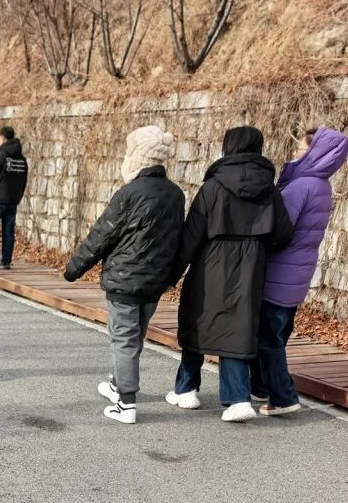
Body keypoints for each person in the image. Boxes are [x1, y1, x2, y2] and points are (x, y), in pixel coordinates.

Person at [62, 125, 185, 425]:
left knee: (124, 340)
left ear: (138, 157)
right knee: (134, 337)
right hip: (154, 282)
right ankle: (118, 384)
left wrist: (73, 269)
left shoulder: (129, 193)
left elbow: (102, 235)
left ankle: (126, 403)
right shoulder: (175, 194)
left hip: (124, 280)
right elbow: (178, 240)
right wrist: (170, 276)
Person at [172, 126, 293, 423]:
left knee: (197, 321)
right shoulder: (269, 189)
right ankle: (238, 398)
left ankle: (186, 389)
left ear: (229, 147)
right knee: (238, 329)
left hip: (210, 265)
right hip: (251, 267)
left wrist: (169, 275)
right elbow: (283, 233)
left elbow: (191, 236)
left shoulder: (212, 187)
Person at [253, 126, 348, 417]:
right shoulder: (321, 185)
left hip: (279, 273)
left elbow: (280, 230)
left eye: (302, 148)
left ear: (315, 152)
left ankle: (283, 397)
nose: (295, 152)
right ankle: (263, 386)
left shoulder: (300, 186)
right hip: (297, 274)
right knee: (277, 334)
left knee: (268, 339)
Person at [0, 125, 28, 270]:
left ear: (2, 137)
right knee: (8, 231)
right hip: (13, 201)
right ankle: (6, 260)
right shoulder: (22, 159)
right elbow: (24, 179)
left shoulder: (0, 155)